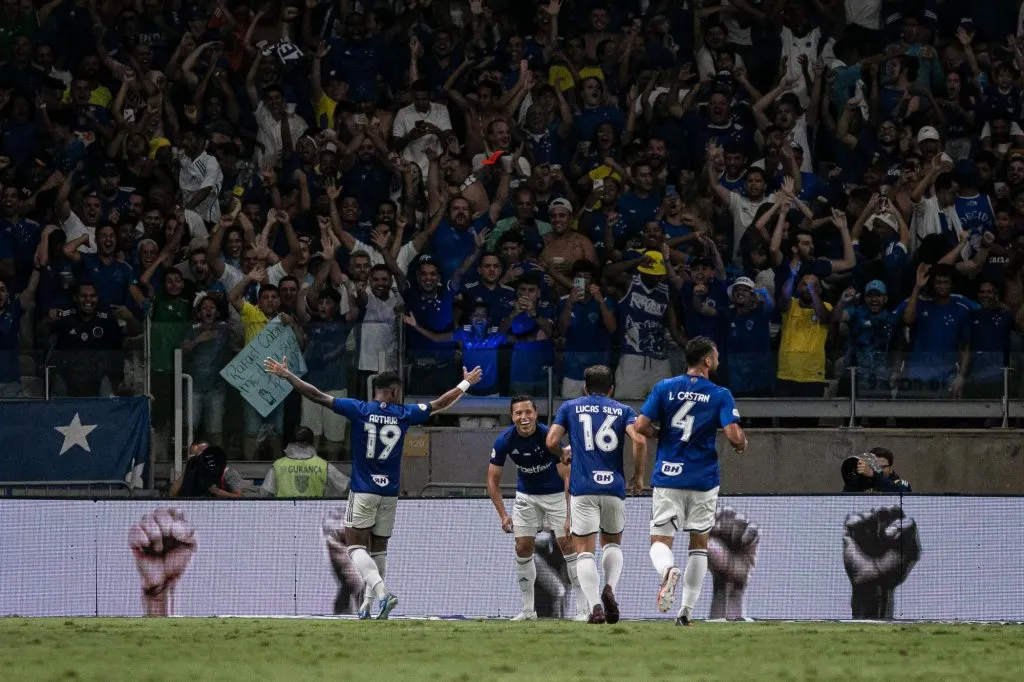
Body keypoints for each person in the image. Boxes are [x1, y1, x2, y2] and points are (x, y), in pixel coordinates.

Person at [263, 357, 482, 619]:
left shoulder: (360, 409)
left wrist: (287, 375)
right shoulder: (404, 414)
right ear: (395, 391)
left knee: (355, 548)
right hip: (390, 493)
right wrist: (465, 383)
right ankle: (368, 605)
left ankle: (382, 594)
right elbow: (441, 403)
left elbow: (317, 396)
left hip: (363, 490)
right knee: (379, 550)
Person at [633, 337, 748, 626]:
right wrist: (742, 443)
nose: (718, 360)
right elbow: (734, 435)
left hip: (668, 476)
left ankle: (668, 570)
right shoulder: (720, 393)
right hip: (703, 479)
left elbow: (640, 426)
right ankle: (686, 611)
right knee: (699, 544)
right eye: (716, 356)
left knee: (659, 540)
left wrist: (663, 436)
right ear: (707, 360)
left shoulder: (664, 387)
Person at [545, 364, 646, 625]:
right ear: (611, 389)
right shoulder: (624, 411)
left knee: (584, 552)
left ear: (584, 387)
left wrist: (563, 452)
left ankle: (595, 607)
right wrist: (637, 476)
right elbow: (639, 441)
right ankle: (610, 587)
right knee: (612, 544)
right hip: (614, 488)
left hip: (583, 488)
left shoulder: (570, 407)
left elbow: (551, 441)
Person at [486, 394, 585, 622]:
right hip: (527, 497)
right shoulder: (505, 440)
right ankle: (528, 610)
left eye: (528, 412)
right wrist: (503, 515)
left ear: (535, 414)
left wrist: (570, 513)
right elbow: (492, 480)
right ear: (512, 416)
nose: (524, 417)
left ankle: (582, 609)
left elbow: (567, 475)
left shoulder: (549, 437)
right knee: (522, 548)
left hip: (556, 496)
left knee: (568, 546)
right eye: (518, 413)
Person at [261, 427, 350, 498]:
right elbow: (346, 486)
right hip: (314, 515)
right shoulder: (323, 466)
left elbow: (265, 493)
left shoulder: (278, 465)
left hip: (285, 515)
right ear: (312, 443)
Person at [169, 441, 245, 499]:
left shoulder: (228, 473)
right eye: (195, 457)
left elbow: (240, 496)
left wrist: (218, 492)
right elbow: (173, 494)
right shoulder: (193, 472)